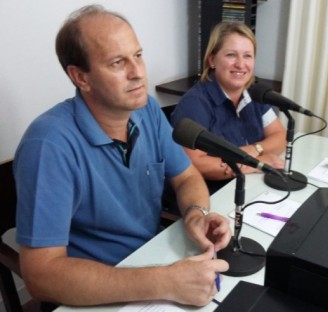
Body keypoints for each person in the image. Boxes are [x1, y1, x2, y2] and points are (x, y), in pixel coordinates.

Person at [13, 5, 231, 308]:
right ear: (81, 77)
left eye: (138, 55)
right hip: (97, 292)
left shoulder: (148, 111)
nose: (138, 72)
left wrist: (196, 214)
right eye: (118, 62)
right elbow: (41, 276)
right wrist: (165, 281)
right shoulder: (48, 145)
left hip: (152, 259)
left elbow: (186, 176)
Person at [171, 22, 286, 194]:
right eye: (231, 55)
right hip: (215, 194)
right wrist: (254, 163)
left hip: (253, 184)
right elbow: (194, 164)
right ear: (212, 60)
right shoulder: (194, 104)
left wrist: (253, 151)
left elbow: (280, 136)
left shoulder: (254, 93)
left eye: (247, 56)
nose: (240, 64)